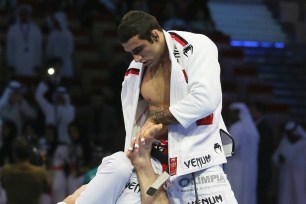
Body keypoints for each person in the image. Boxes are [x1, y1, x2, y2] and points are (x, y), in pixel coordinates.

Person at [60, 10, 237, 204]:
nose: (135, 58)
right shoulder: (135, 72)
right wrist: (139, 157)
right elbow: (135, 124)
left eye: (138, 49)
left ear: (155, 35)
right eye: (130, 53)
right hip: (154, 164)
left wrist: (156, 119)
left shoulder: (195, 47)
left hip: (197, 163)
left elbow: (206, 99)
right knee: (97, 187)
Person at [223, 102, 259, 204]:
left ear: (237, 113)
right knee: (246, 194)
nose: (229, 115)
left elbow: (230, 150)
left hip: (235, 168)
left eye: (231, 113)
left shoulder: (237, 128)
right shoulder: (251, 128)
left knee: (235, 192)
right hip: (250, 169)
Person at [0, 137, 50, 204]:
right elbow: (47, 189)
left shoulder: (6, 171)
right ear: (30, 153)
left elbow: (3, 186)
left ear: (13, 154)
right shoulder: (40, 172)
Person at [272, 121, 306, 204]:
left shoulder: (304, 144)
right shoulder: (285, 142)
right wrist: (279, 159)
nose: (290, 136)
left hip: (300, 179)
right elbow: (275, 157)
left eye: (291, 134)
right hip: (285, 177)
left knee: (299, 198)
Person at [6, 4, 42, 76]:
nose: (24, 16)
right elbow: (10, 47)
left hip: (32, 61)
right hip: (17, 61)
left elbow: (38, 47)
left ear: (29, 15)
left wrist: (37, 63)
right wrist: (10, 63)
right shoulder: (13, 29)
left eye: (26, 14)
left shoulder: (35, 29)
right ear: (19, 15)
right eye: (22, 14)